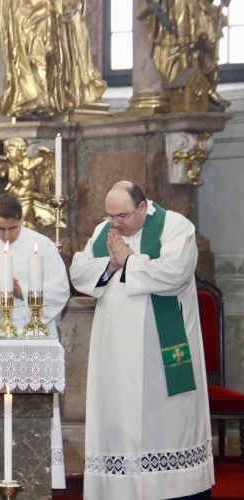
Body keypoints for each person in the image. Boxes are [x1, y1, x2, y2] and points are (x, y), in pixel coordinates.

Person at [70, 181, 213, 500]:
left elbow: (176, 272)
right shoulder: (104, 232)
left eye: (122, 216)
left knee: (166, 425)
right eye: (110, 216)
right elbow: (80, 271)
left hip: (159, 356)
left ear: (143, 207)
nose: (115, 224)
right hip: (116, 353)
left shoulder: (176, 227)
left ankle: (175, 491)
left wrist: (131, 262)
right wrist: (110, 263)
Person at [0, 194, 70, 489]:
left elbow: (60, 289)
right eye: (0, 229)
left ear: (21, 219)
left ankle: (41, 474)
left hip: (33, 338)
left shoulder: (41, 245)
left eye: (12, 229)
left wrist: (24, 291)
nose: (6, 236)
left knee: (32, 406)